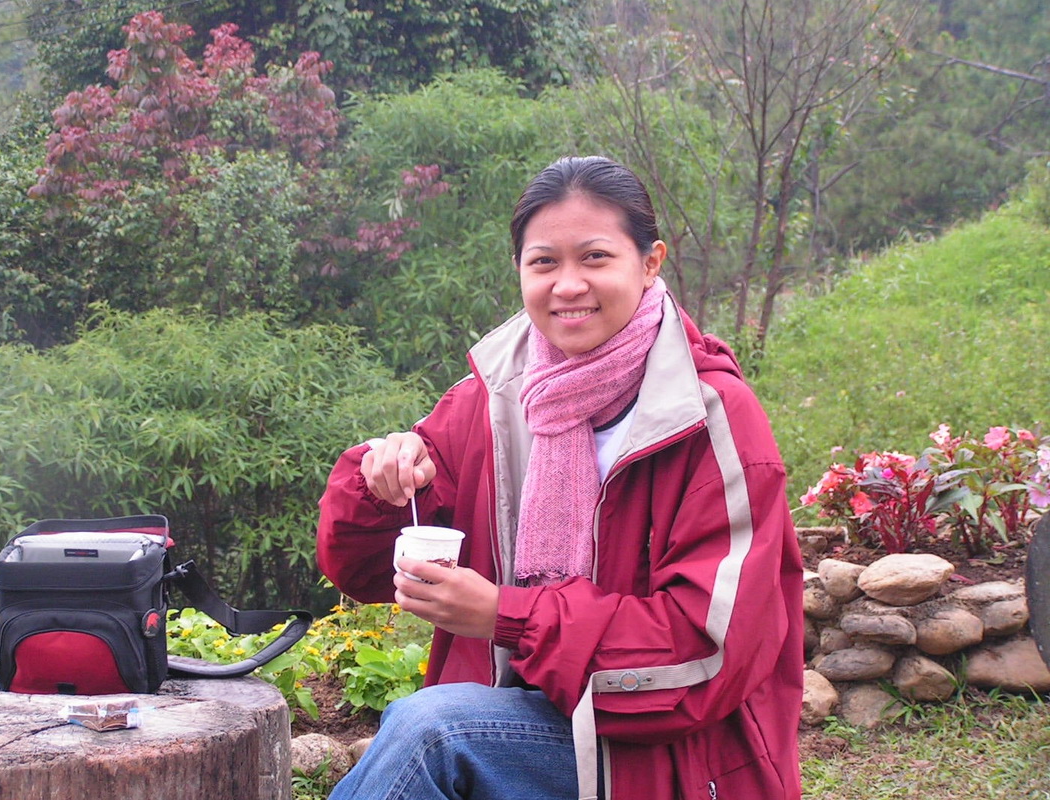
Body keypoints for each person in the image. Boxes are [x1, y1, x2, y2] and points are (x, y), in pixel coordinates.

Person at [317, 155, 803, 800]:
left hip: (668, 754)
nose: (568, 285)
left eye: (595, 257)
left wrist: (509, 617)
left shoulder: (707, 418)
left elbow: (708, 650)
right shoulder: (493, 400)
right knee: (435, 729)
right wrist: (383, 486)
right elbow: (361, 572)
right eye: (544, 262)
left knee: (434, 731)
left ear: (650, 262)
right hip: (522, 714)